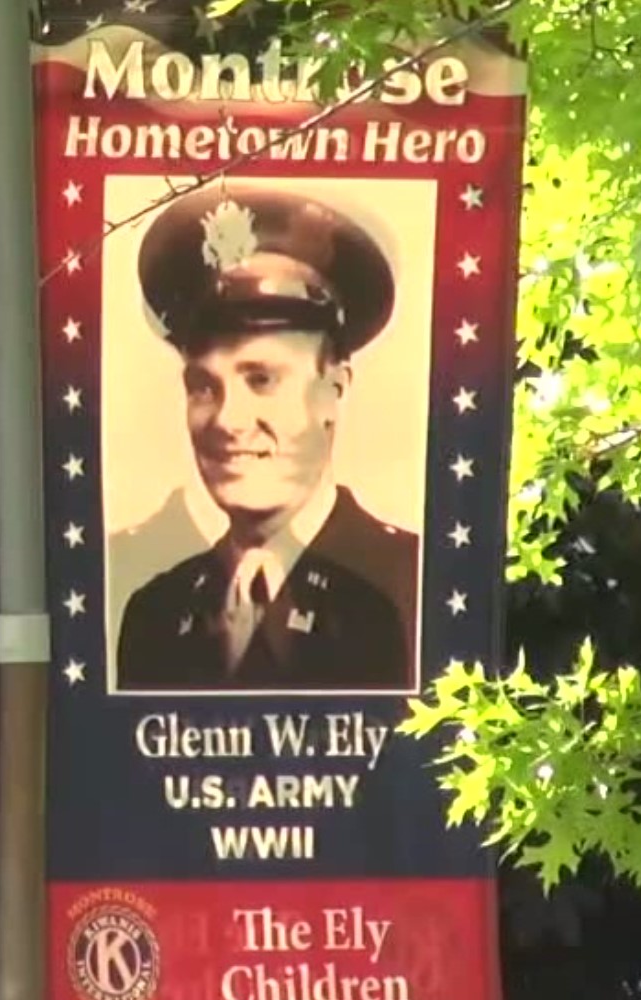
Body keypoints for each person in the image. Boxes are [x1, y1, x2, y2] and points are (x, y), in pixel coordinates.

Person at [115, 184, 420, 692]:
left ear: (333, 390)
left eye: (261, 379)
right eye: (204, 388)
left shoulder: (413, 582)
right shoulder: (155, 611)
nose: (228, 420)